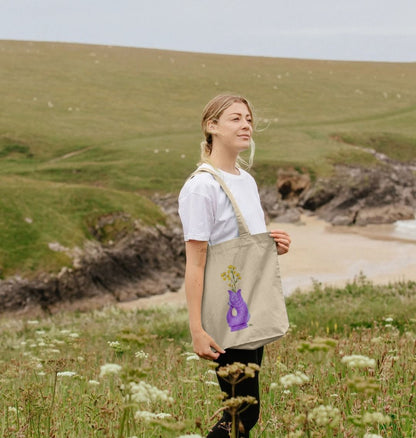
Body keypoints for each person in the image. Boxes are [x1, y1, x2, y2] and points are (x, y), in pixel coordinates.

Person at [178, 94, 291, 437]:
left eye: (249, 119)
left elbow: (243, 249)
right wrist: (197, 329)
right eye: (235, 119)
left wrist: (274, 246)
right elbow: (195, 264)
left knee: (244, 413)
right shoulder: (202, 187)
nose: (246, 125)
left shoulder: (246, 179)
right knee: (242, 414)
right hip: (226, 313)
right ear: (211, 126)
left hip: (249, 307)